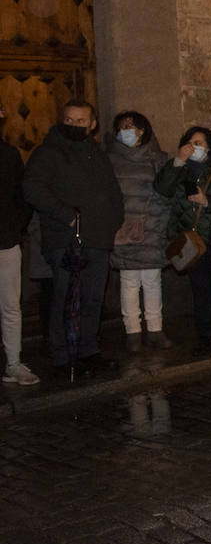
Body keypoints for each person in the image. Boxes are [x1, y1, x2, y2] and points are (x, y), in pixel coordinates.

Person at [23, 99, 124, 377]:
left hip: (98, 239)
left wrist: (115, 220)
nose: (75, 125)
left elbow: (112, 191)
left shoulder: (97, 153)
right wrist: (65, 214)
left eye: (81, 121)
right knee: (66, 298)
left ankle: (88, 351)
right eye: (69, 120)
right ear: (62, 120)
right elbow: (32, 188)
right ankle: (62, 354)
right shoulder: (47, 152)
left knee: (93, 298)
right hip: (66, 240)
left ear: (92, 124)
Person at [154, 127, 211, 355]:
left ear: (210, 146)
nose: (194, 147)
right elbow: (161, 188)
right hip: (191, 243)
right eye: (190, 142)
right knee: (200, 291)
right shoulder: (180, 172)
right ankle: (204, 337)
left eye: (199, 143)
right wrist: (177, 162)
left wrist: (208, 202)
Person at [108, 111, 172, 351]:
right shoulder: (111, 160)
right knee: (129, 281)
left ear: (143, 129)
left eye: (131, 126)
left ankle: (156, 329)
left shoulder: (157, 158)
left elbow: (166, 191)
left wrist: (161, 220)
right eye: (122, 126)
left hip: (153, 226)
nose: (126, 130)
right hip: (124, 229)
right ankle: (132, 332)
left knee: (153, 281)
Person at [1, 103, 38, 385]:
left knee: (10, 306)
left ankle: (13, 362)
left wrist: (14, 229)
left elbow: (21, 197)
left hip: (5, 241)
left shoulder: (8, 154)